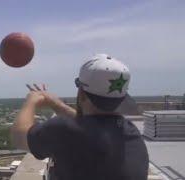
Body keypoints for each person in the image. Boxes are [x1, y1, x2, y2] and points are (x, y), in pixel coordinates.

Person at [10, 54, 149, 180]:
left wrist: (31, 101)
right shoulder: (131, 133)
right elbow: (88, 125)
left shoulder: (63, 130)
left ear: (81, 93)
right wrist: (56, 104)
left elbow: (19, 136)